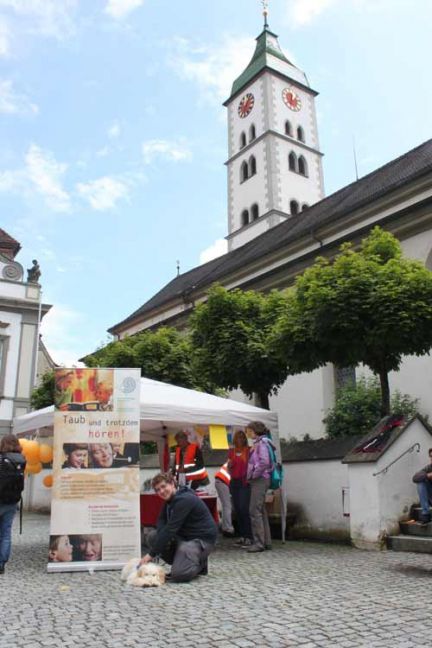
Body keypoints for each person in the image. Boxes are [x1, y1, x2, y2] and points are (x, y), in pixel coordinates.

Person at [141, 472, 217, 582]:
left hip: (201, 540)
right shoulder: (170, 500)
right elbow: (161, 521)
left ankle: (199, 563)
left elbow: (171, 529)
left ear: (172, 484)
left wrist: (150, 555)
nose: (161, 491)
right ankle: (186, 560)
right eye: (158, 490)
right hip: (185, 539)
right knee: (154, 536)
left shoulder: (184, 499)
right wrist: (160, 542)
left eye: (163, 486)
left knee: (178, 575)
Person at [246, 421, 275, 553]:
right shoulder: (262, 442)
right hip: (262, 479)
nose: (247, 433)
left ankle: (259, 543)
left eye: (248, 430)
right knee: (260, 511)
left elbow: (264, 462)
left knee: (254, 511)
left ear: (254, 431)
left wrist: (253, 475)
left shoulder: (261, 443)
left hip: (260, 479)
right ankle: (266, 541)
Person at [0, 434, 26, 574]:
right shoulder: (22, 460)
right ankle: (1, 564)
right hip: (12, 502)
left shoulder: (1, 458)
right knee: (5, 533)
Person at [228, 430, 253, 547]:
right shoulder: (231, 452)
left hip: (244, 483)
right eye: (238, 437)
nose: (240, 439)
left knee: (244, 509)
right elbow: (229, 468)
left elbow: (252, 465)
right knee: (237, 509)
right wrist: (229, 466)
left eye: (242, 437)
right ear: (234, 439)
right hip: (234, 482)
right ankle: (242, 536)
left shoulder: (248, 451)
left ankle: (249, 536)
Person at [214, 462, 234, 536]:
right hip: (222, 481)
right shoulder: (239, 459)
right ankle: (228, 529)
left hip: (221, 481)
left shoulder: (234, 457)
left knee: (226, 505)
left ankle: (225, 527)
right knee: (227, 506)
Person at [412, 448, 432, 523]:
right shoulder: (429, 468)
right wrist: (428, 475)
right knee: (420, 481)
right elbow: (415, 478)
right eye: (431, 456)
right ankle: (426, 514)